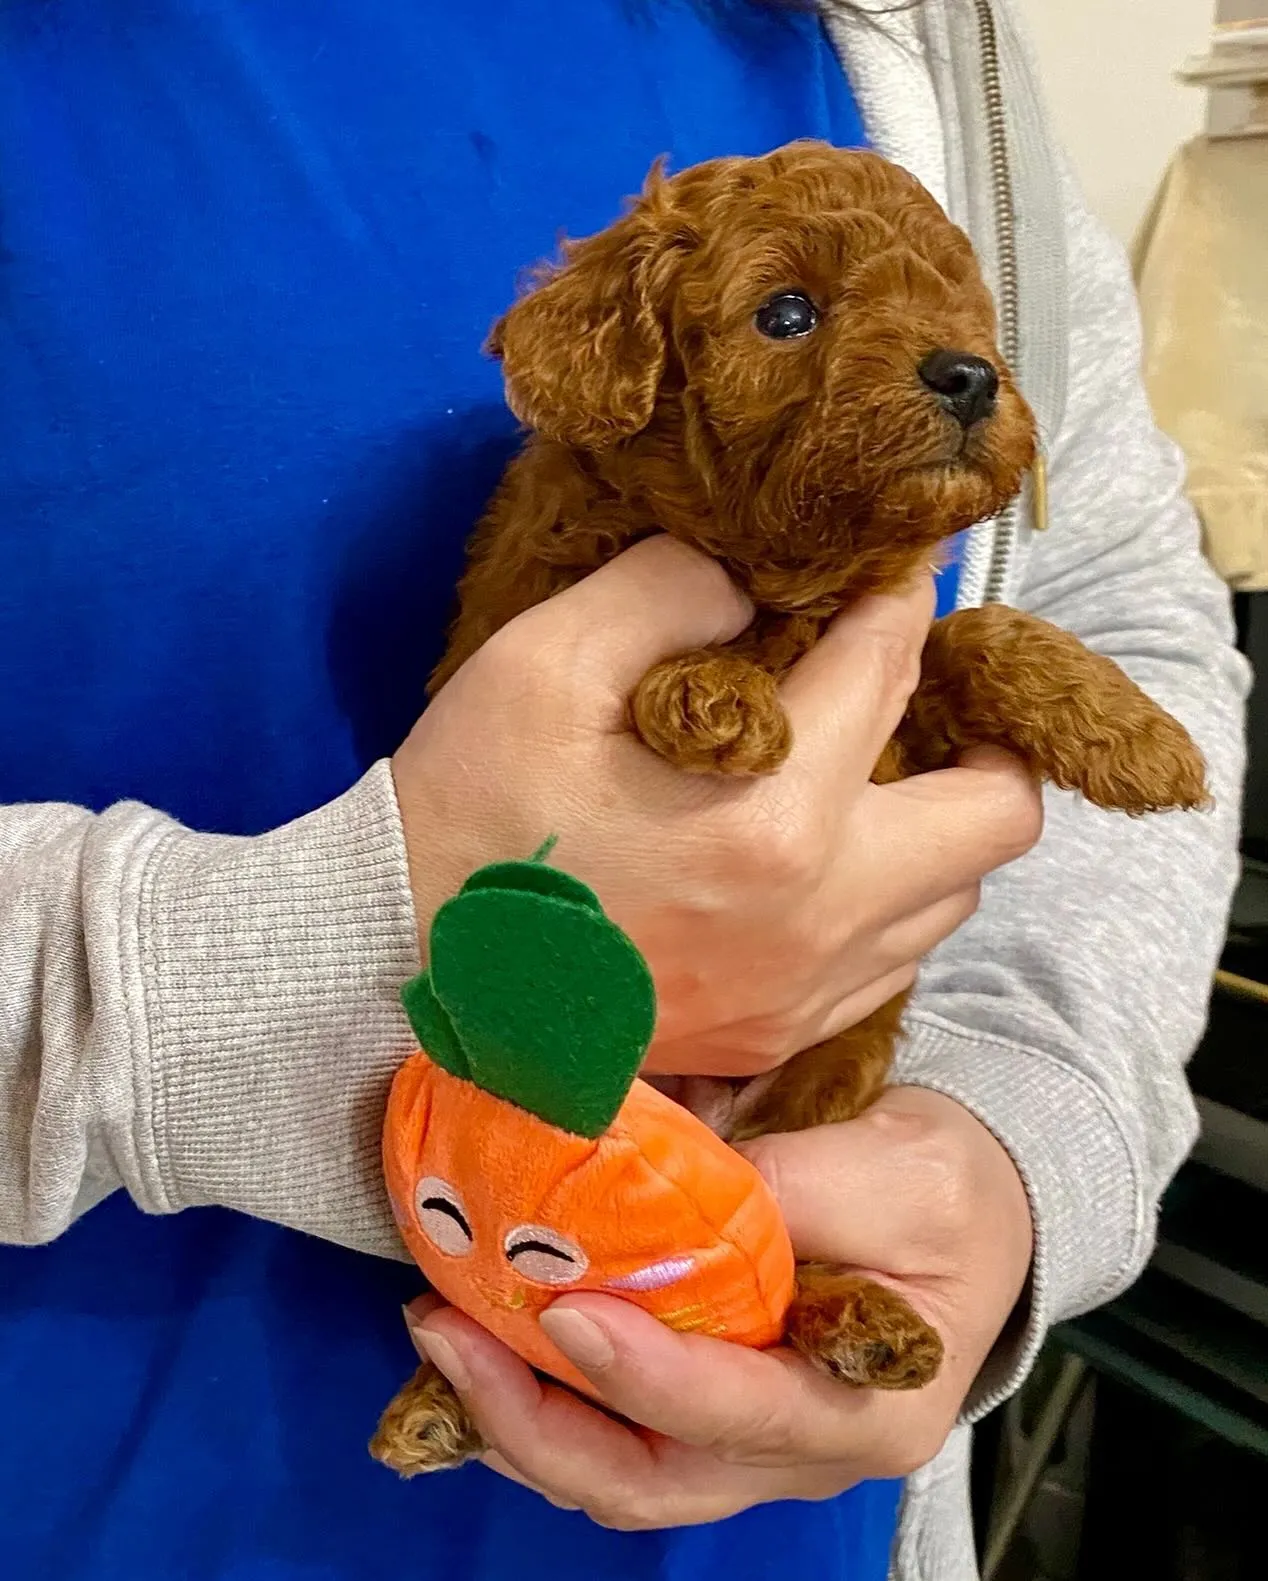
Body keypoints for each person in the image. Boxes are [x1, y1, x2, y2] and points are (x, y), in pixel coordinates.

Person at [0, 2, 1247, 1579]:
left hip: (795, 1520)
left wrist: (1008, 1138)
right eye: (786, 319)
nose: (939, 358)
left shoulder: (915, 38)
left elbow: (1119, 590)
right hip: (103, 1463)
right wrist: (304, 970)